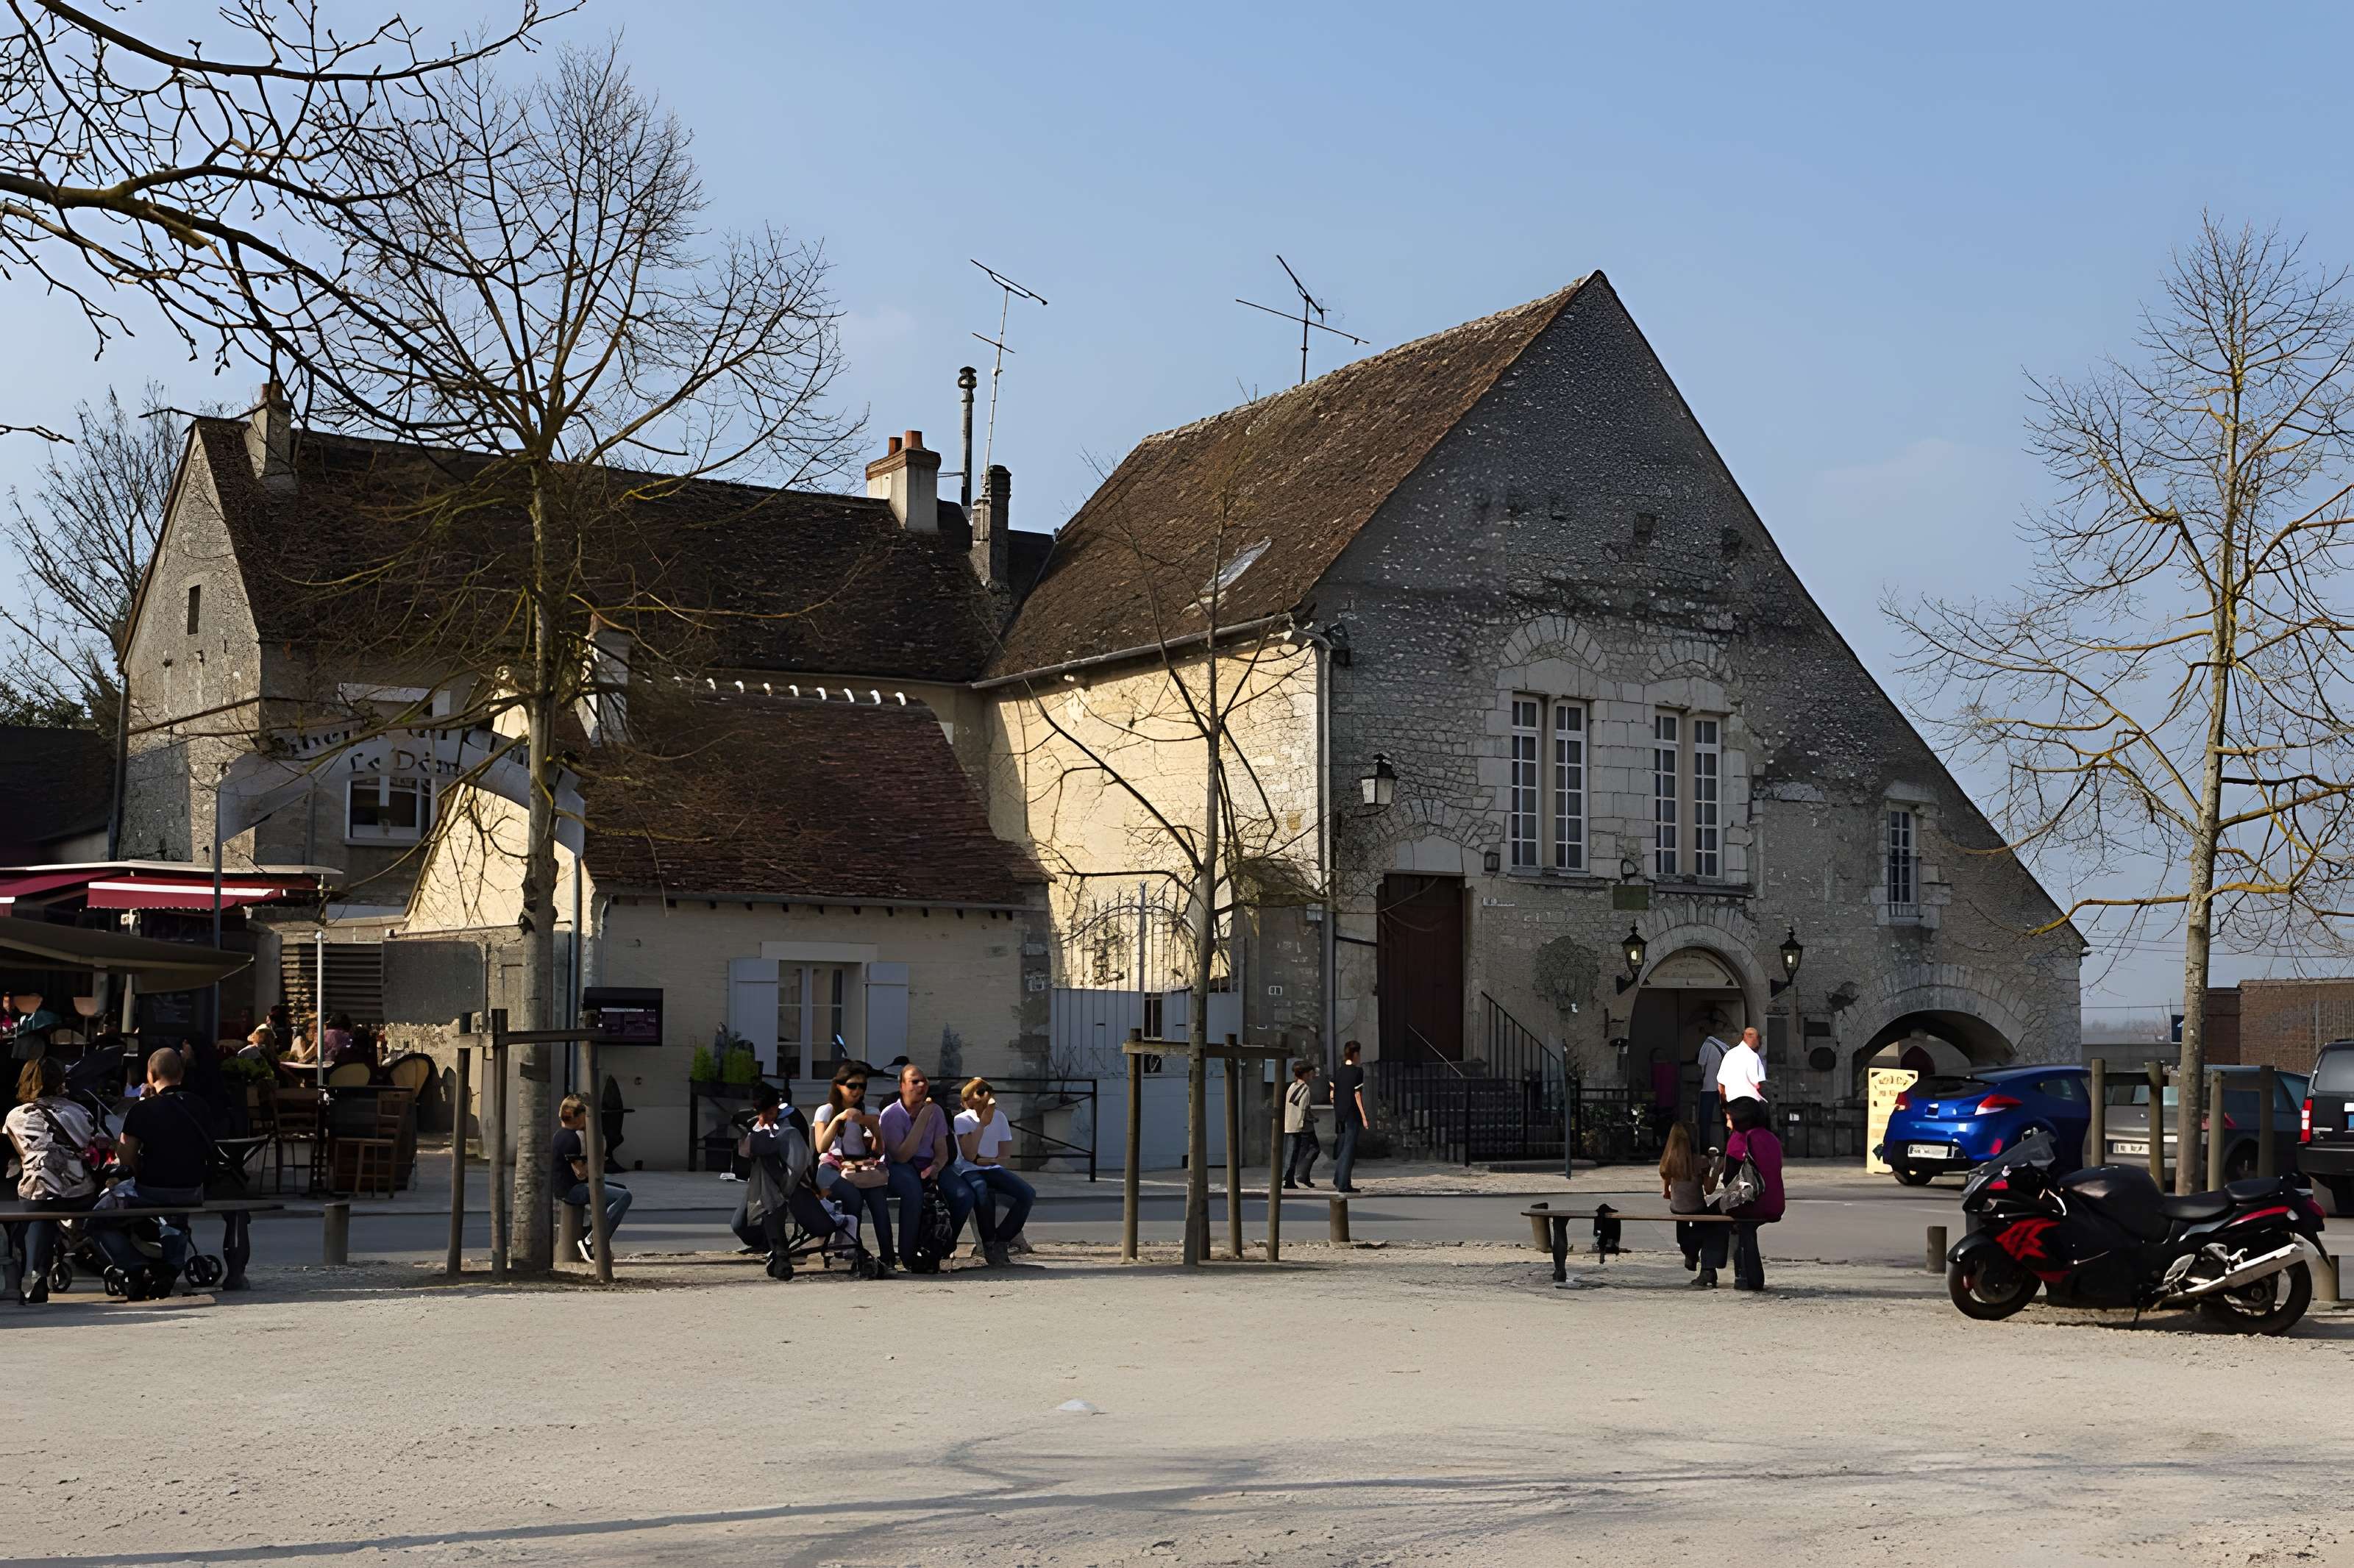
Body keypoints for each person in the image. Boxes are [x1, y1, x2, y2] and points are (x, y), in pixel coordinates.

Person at [99, 1048, 218, 1283]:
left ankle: (133, 1263)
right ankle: (172, 1264)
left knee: (96, 1218)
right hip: (193, 1188)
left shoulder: (142, 1110)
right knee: (174, 1214)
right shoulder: (200, 1105)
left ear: (150, 1075)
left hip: (152, 1190)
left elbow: (126, 1159)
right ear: (181, 1073)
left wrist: (115, 1143)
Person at [4, 1056, 100, 1305]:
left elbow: (22, 1155)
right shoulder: (81, 1112)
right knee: (51, 1203)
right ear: (62, 1082)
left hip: (39, 1196)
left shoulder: (15, 1116)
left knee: (39, 1206)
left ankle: (37, 1277)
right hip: (80, 1193)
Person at [877, 1064, 987, 1269]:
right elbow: (901, 1155)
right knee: (914, 1192)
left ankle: (938, 1245)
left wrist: (935, 1168)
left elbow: (942, 1150)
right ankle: (908, 1255)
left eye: (924, 1081)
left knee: (964, 1195)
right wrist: (922, 1120)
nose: (921, 1085)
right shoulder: (891, 1115)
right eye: (914, 1081)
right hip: (901, 1166)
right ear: (902, 1086)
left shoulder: (935, 1111)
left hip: (931, 1164)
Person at [814, 1062, 894, 1275]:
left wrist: (874, 1128)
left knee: (879, 1202)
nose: (858, 1091)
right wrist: (839, 1119)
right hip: (831, 1167)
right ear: (839, 1086)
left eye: (863, 1087)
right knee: (853, 1197)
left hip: (860, 1167)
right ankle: (849, 1250)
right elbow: (820, 1146)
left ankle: (888, 1257)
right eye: (852, 1086)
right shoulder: (826, 1111)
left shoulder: (870, 1112)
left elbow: (877, 1152)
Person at [954, 1077, 1033, 1265]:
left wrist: (989, 1160)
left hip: (990, 1166)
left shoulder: (1000, 1117)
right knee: (982, 1191)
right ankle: (988, 1243)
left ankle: (1002, 1240)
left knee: (1027, 1193)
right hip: (968, 1169)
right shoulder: (962, 1119)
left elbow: (1005, 1154)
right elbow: (969, 1155)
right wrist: (982, 1124)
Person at [553, 1093, 632, 1264]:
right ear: (578, 1115)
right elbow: (581, 1172)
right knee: (624, 1197)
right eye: (585, 1115)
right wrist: (596, 1163)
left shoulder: (562, 1134)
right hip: (572, 1190)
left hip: (573, 1185)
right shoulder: (570, 1138)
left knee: (621, 1190)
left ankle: (590, 1230)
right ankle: (590, 1240)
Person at [1722, 1096, 1785, 1291]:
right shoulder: (1770, 1137)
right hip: (1776, 1200)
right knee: (1746, 1229)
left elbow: (1730, 1178)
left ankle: (1733, 1274)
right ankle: (1750, 1278)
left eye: (1729, 1117)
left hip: (1754, 1202)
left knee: (1711, 1215)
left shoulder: (1740, 1140)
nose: (1727, 1122)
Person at [1659, 1121, 1724, 1289]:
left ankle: (1689, 1253)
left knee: (1683, 1229)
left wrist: (1671, 1192)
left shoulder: (1668, 1162)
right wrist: (1715, 1169)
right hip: (1697, 1208)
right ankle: (1696, 1254)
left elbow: (1666, 1192)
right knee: (1704, 1230)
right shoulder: (1700, 1162)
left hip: (1677, 1208)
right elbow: (1709, 1190)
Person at [1331, 1041, 1369, 1194]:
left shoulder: (1339, 1071)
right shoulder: (1357, 1072)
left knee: (1342, 1146)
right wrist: (1364, 1116)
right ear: (1355, 1054)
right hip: (1352, 1113)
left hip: (1339, 1113)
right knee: (1349, 1148)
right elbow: (1357, 1095)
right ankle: (1343, 1183)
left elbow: (1332, 1094)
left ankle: (1340, 1178)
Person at [1282, 1060, 1320, 1189]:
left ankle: (1293, 1179)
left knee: (1293, 1153)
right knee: (1314, 1149)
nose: (1312, 1076)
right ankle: (1299, 1175)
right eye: (1311, 1073)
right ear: (1306, 1074)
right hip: (1301, 1126)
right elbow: (1304, 1109)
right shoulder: (1305, 1089)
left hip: (1290, 1124)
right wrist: (1312, 1119)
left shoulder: (1291, 1087)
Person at [1717, 1026, 1768, 1106]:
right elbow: (1759, 1084)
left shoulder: (1729, 1054)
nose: (1758, 1045)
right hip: (1748, 1103)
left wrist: (1724, 1104)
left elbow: (1721, 1083)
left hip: (1731, 1103)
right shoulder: (1754, 1057)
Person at [1694, 1033, 1729, 1145]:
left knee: (1704, 1121)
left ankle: (1704, 1150)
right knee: (1726, 1120)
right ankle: (1728, 1146)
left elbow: (1701, 1065)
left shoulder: (1706, 1045)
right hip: (1722, 1089)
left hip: (1708, 1088)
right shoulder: (1725, 1048)